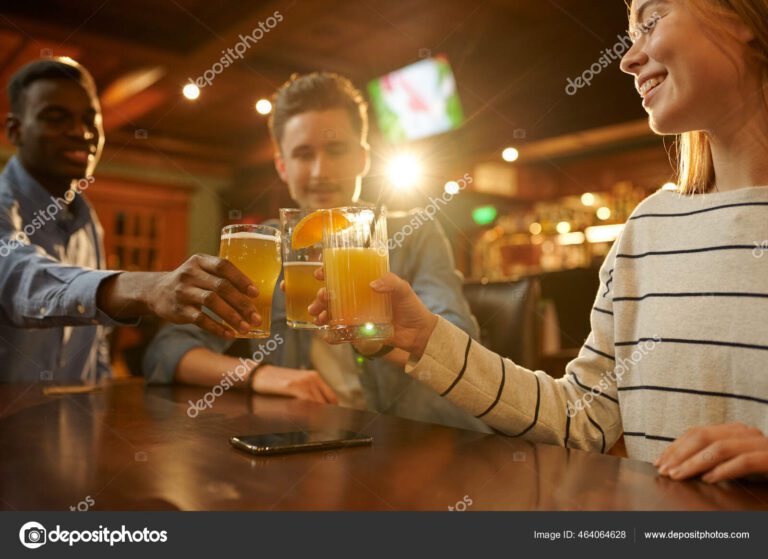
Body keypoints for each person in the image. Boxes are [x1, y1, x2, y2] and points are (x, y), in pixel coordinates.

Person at [310, 0, 768, 482]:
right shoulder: (647, 228)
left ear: (744, 19)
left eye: (651, 22)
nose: (628, 58)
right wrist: (425, 337)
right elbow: (581, 418)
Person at [144, 72, 490, 433]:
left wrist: (373, 336)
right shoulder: (264, 245)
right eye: (303, 154)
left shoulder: (414, 233)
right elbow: (168, 351)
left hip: (417, 439)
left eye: (336, 150)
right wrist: (261, 374)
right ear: (282, 165)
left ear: (362, 158)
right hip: (308, 443)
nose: (320, 171)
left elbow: (461, 347)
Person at [0, 58, 264, 383]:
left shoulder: (87, 221)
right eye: (56, 119)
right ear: (15, 130)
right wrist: (148, 287)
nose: (80, 132)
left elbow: (95, 342)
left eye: (89, 120)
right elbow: (15, 278)